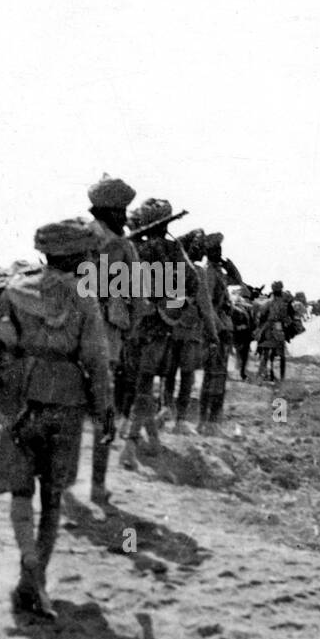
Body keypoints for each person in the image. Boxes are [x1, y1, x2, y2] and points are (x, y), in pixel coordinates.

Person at [0, 219, 113, 620]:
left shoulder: (14, 290)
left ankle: (27, 559)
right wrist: (104, 411)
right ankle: (34, 579)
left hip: (20, 402)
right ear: (77, 256)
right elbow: (97, 360)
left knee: (21, 493)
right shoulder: (85, 298)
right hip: (66, 402)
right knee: (52, 498)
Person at [120, 197, 199, 468]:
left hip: (132, 326)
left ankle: (147, 438)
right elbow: (191, 285)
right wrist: (167, 308)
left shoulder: (130, 250)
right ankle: (131, 443)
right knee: (144, 384)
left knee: (135, 384)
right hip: (157, 328)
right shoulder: (172, 249)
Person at [84, 174, 139, 505]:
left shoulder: (73, 235)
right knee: (104, 409)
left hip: (68, 329)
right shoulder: (120, 245)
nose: (126, 218)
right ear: (109, 211)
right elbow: (137, 294)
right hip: (104, 331)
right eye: (121, 212)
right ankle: (97, 484)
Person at [161, 228, 218, 434]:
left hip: (169, 325)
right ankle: (181, 420)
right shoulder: (198, 271)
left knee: (168, 372)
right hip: (191, 329)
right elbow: (205, 305)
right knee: (187, 375)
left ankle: (165, 409)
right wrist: (212, 333)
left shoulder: (170, 267)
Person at [197, 232, 234, 431]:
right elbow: (208, 304)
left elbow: (238, 281)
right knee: (213, 375)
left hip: (223, 326)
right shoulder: (209, 273)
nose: (219, 252)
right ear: (208, 252)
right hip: (217, 328)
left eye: (220, 249)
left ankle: (213, 419)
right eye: (215, 250)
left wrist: (230, 266)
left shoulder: (219, 271)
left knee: (219, 375)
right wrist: (218, 329)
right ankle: (206, 419)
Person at [256, 280, 294, 381]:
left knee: (265, 352)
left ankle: (262, 373)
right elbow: (287, 317)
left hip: (269, 326)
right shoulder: (284, 302)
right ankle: (281, 376)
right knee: (281, 354)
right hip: (279, 327)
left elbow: (262, 314)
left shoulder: (268, 302)